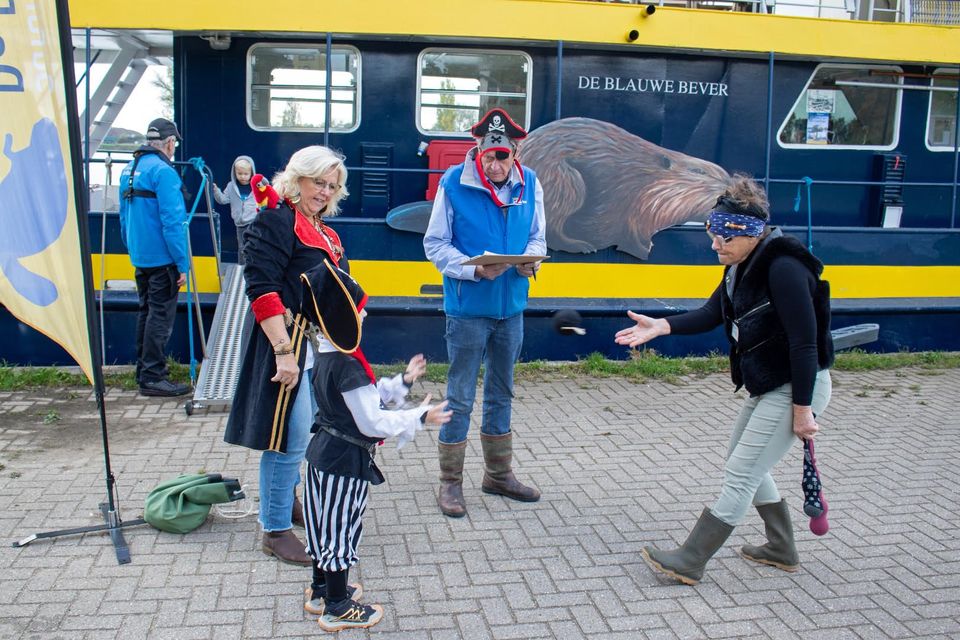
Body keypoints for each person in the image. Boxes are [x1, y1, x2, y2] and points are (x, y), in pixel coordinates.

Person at [614, 175, 834, 585]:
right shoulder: (740, 265)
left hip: (796, 386)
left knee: (741, 472)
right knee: (744, 460)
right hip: (769, 382)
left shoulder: (784, 268)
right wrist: (660, 326)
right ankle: (781, 547)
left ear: (752, 233)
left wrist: (803, 410)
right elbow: (712, 313)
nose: (715, 244)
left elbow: (805, 344)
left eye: (724, 237)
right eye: (712, 234)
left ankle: (691, 559)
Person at [299, 259, 451, 632]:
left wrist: (404, 381)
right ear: (343, 318)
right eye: (359, 310)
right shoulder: (347, 364)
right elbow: (371, 420)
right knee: (340, 528)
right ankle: (337, 606)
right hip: (343, 460)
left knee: (321, 524)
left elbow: (364, 398)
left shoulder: (326, 354)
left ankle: (321, 590)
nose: (364, 315)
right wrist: (419, 416)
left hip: (322, 454)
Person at [223, 145, 350, 565]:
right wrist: (283, 353)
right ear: (298, 179)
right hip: (284, 342)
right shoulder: (276, 219)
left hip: (313, 345)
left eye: (332, 186)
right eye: (319, 182)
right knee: (288, 439)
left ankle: (287, 501)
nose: (325, 191)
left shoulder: (322, 229)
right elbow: (262, 288)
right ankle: (274, 529)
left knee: (302, 431)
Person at [423, 107, 546, 518]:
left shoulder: (531, 183)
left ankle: (498, 475)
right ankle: (450, 483)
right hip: (468, 309)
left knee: (502, 391)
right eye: (488, 155)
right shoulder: (453, 182)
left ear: (515, 154)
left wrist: (531, 261)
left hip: (511, 309)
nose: (494, 164)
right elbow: (435, 244)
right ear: (478, 150)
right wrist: (473, 269)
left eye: (502, 156)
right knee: (460, 394)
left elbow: (537, 237)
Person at [118, 117, 191, 398]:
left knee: (146, 313)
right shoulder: (164, 172)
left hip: (140, 257)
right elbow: (173, 222)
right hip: (163, 260)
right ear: (170, 143)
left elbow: (124, 217)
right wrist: (182, 263)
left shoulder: (130, 168)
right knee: (160, 318)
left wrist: (132, 249)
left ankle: (144, 371)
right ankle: (152, 377)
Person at [212, 155, 258, 265]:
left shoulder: (256, 186)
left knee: (255, 246)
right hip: (240, 224)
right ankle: (242, 267)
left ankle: (255, 267)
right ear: (235, 173)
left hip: (254, 222)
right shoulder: (231, 186)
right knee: (242, 248)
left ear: (251, 173)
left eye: (246, 174)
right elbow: (223, 200)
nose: (243, 177)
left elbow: (266, 198)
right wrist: (216, 191)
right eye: (239, 173)